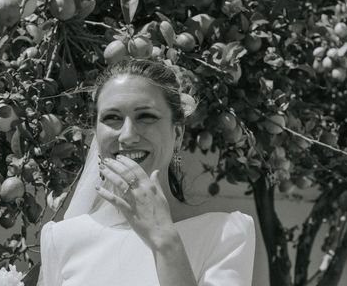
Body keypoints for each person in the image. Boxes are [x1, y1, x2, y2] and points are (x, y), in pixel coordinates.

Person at [38, 59, 255, 286]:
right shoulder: (61, 239)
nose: (127, 136)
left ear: (178, 134)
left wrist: (166, 242)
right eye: (112, 118)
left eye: (146, 116)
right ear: (96, 134)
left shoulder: (225, 235)